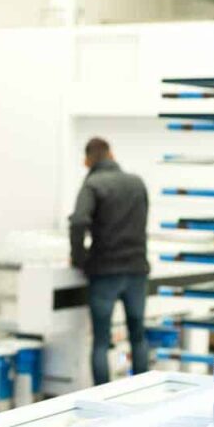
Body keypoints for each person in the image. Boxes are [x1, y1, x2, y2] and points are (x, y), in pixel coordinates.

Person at [69, 137, 150, 386]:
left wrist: (80, 258)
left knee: (101, 342)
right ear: (111, 155)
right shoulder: (137, 183)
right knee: (137, 336)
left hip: (105, 271)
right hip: (136, 269)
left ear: (87, 160)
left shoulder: (92, 184)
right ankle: (144, 392)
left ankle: (102, 399)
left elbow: (78, 221)